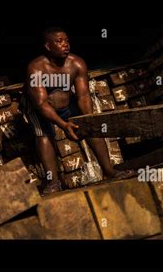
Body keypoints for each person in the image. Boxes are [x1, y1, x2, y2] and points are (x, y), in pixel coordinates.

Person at [22, 27, 129, 194]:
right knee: (43, 136)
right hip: (40, 108)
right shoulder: (36, 68)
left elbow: (84, 95)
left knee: (90, 127)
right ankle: (53, 183)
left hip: (67, 104)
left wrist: (87, 119)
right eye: (59, 41)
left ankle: (109, 171)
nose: (65, 45)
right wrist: (64, 126)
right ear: (48, 46)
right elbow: (41, 103)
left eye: (66, 41)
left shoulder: (76, 63)